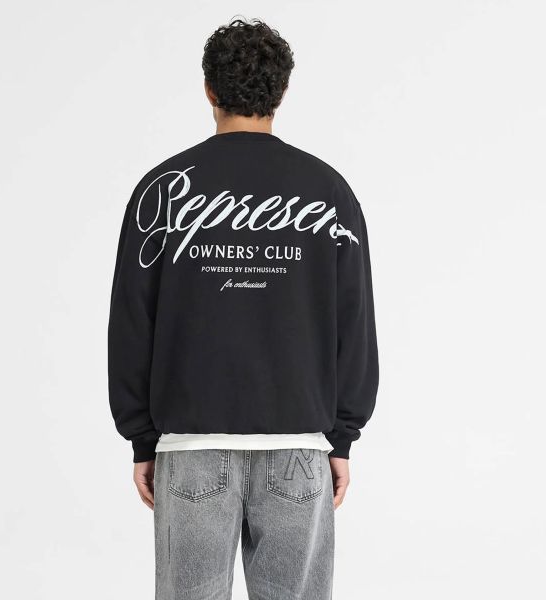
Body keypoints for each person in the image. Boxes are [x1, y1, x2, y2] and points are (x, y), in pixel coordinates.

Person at [108, 17, 379, 600]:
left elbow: (131, 322)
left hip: (190, 447)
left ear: (209, 88)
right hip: (299, 448)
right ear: (283, 91)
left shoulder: (164, 189)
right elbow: (355, 323)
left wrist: (142, 437)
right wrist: (341, 436)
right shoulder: (327, 191)